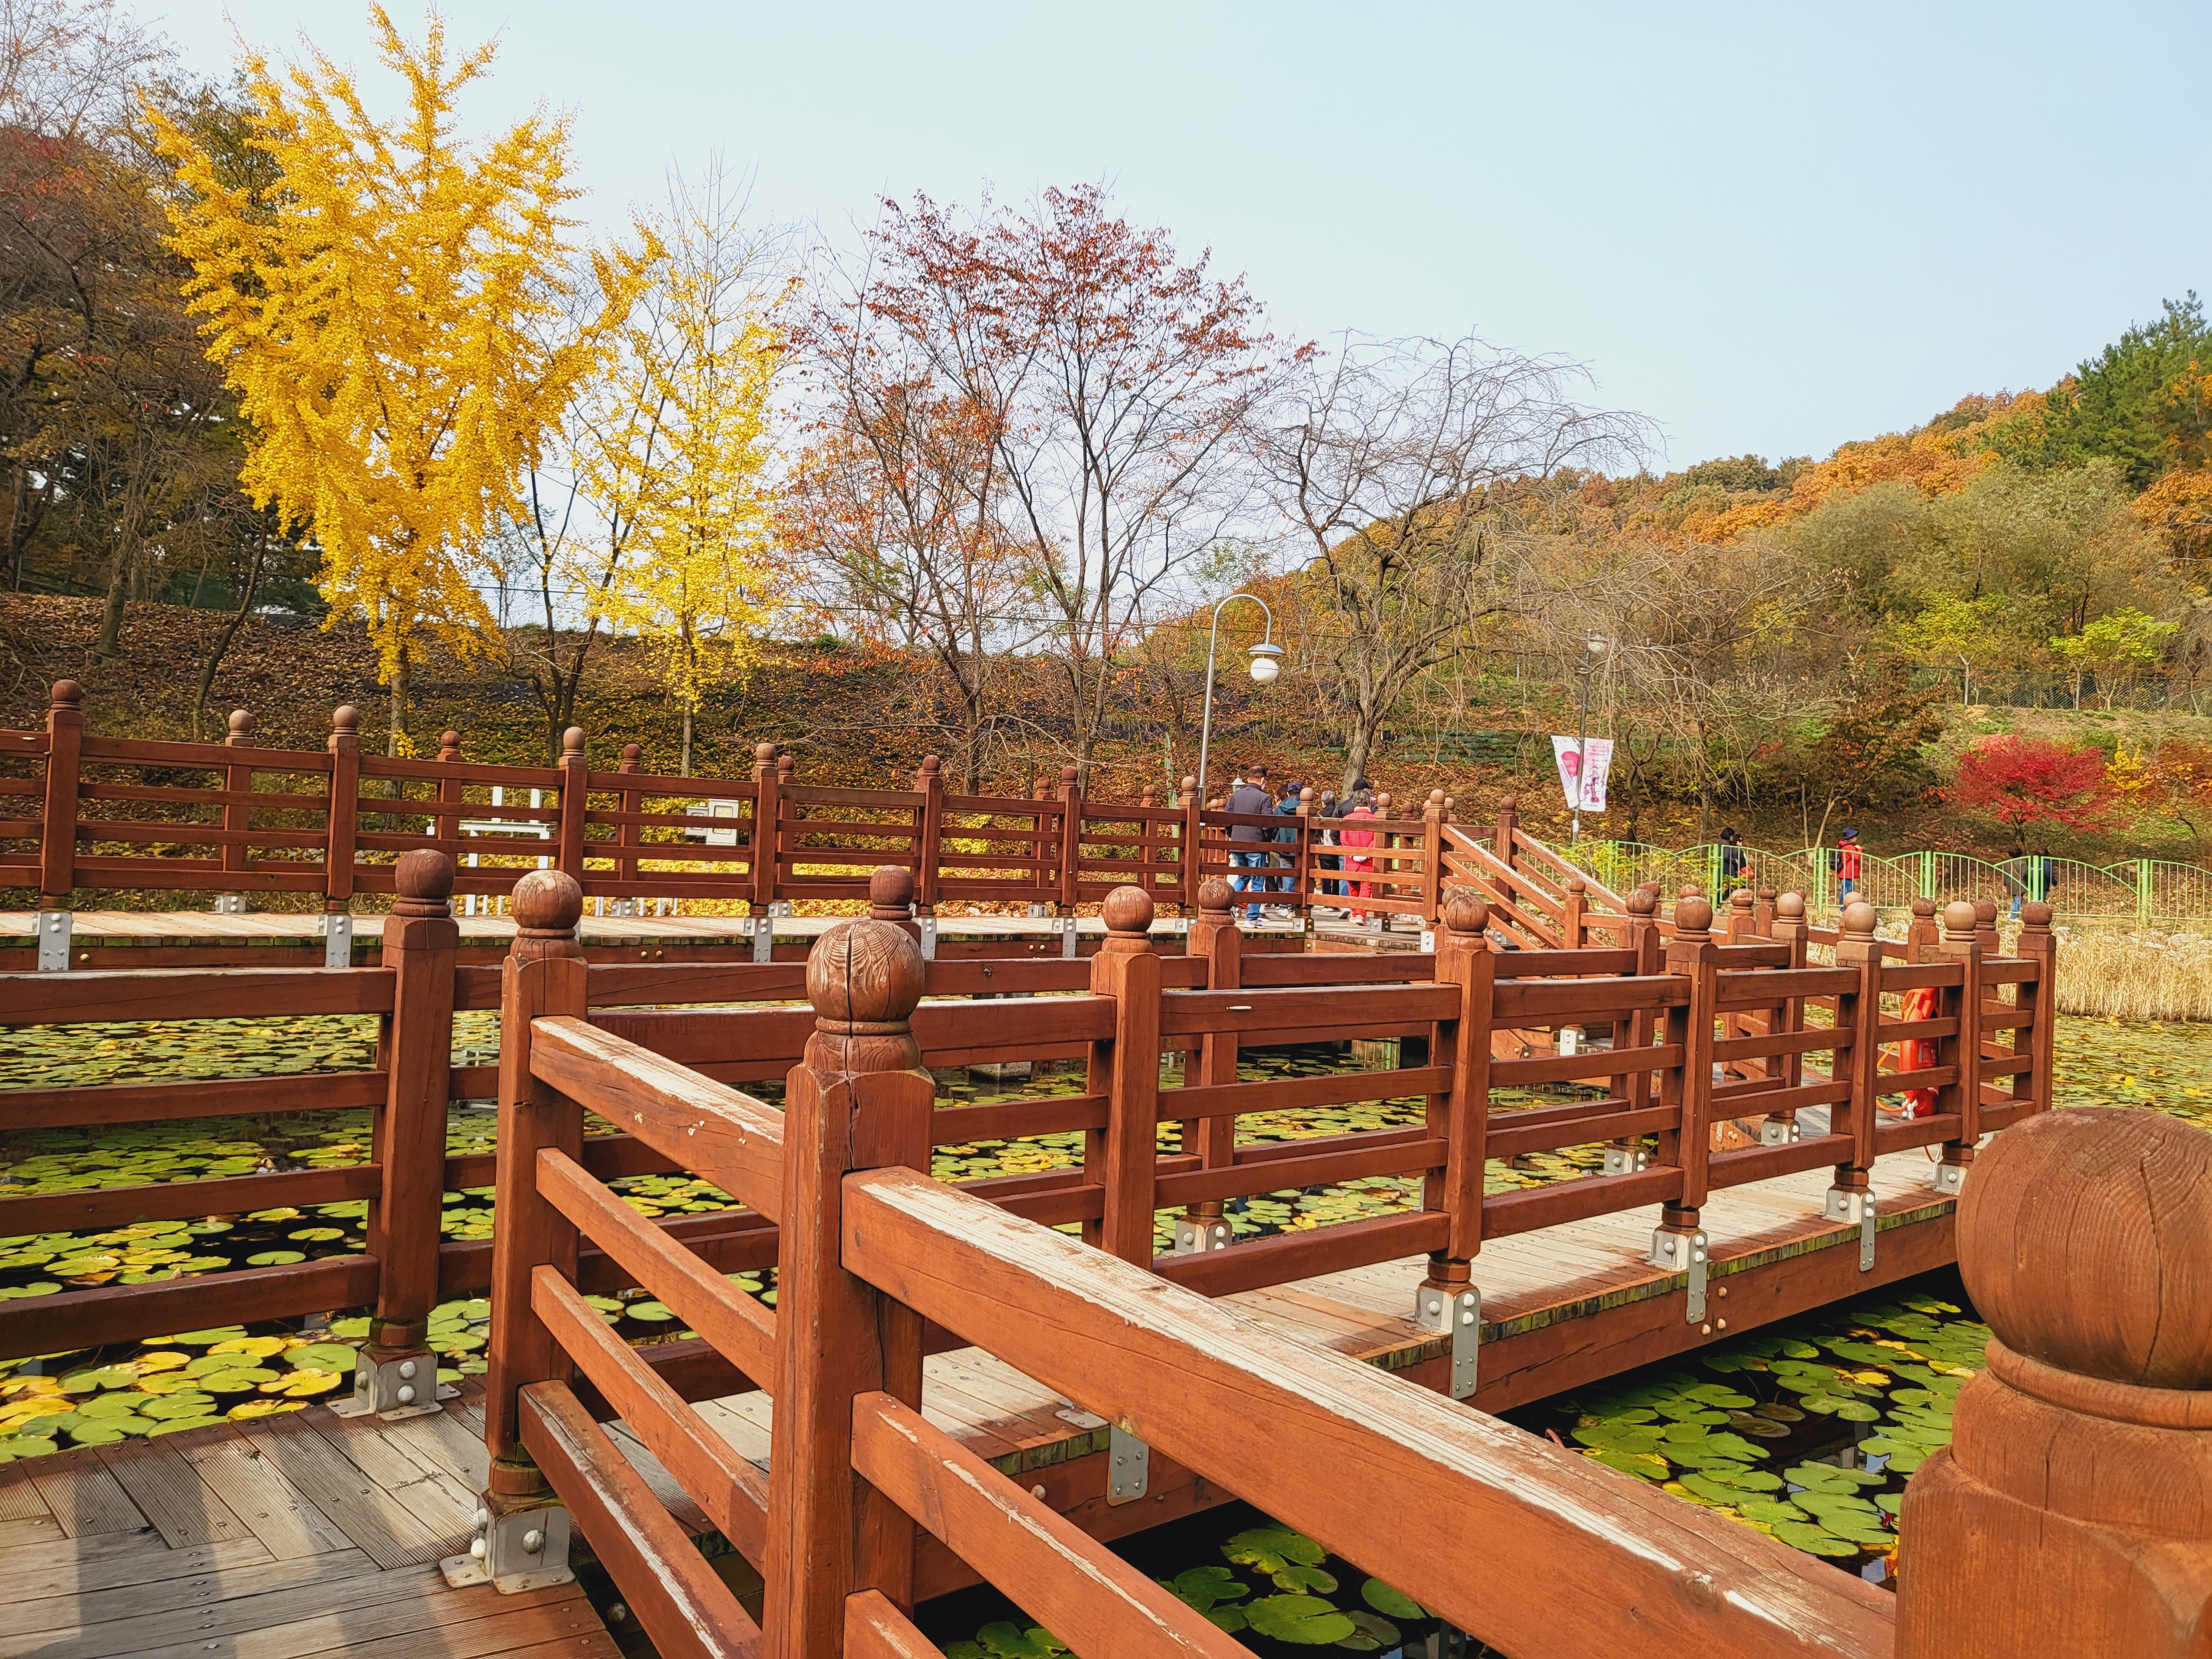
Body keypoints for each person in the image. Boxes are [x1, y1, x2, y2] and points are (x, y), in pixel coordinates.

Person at [1222, 764, 1275, 925]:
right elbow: (1268, 823)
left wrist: (1232, 835)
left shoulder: (1235, 796)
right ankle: (1252, 918)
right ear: (1263, 780)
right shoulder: (1264, 798)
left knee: (1243, 876)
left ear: (1247, 779)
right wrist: (1266, 839)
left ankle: (1228, 906)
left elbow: (1227, 819)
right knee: (1257, 881)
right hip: (1256, 844)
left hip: (1238, 843)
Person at [1338, 789, 1378, 924]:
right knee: (1366, 886)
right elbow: (1377, 839)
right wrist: (1367, 851)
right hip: (1368, 859)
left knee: (1353, 885)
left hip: (1351, 859)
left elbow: (1344, 839)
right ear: (1369, 803)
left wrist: (1353, 852)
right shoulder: (1375, 819)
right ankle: (1361, 914)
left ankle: (1355, 913)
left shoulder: (1347, 819)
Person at [1265, 781, 1305, 917]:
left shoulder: (1281, 806)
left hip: (1284, 845)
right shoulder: (1305, 806)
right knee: (1302, 875)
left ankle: (1286, 904)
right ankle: (1298, 903)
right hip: (1302, 847)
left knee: (1286, 874)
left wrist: (1274, 838)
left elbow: (1275, 824)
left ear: (1288, 793)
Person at [1832, 826, 1862, 900]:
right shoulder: (1849, 847)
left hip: (1846, 873)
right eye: (1855, 836)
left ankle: (1846, 908)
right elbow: (1856, 857)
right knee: (1847, 892)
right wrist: (1859, 849)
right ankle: (1843, 909)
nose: (1856, 838)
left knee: (1849, 891)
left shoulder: (1843, 845)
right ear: (1851, 838)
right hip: (1847, 873)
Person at [1718, 827, 1748, 894]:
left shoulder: (1721, 844)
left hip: (1724, 869)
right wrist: (1735, 861)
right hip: (1728, 870)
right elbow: (1726, 857)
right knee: (1730, 889)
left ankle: (1718, 902)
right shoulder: (1725, 845)